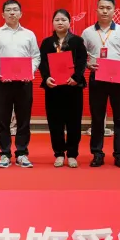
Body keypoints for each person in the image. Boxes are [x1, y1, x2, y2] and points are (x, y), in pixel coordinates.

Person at [82, 0, 120, 168]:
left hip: (119, 79)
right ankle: (97, 154)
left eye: (108, 8)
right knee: (97, 118)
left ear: (114, 11)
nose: (105, 11)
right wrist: (88, 65)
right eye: (102, 8)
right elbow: (81, 57)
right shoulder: (87, 32)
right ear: (96, 10)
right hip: (97, 78)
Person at [0, 0, 41, 168]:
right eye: (8, 10)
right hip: (3, 82)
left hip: (24, 83)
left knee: (24, 119)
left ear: (21, 13)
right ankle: (4, 153)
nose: (12, 12)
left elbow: (36, 56)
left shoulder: (29, 34)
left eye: (15, 10)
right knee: (2, 119)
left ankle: (22, 153)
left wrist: (30, 72)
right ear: (2, 14)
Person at [38, 9, 88, 168]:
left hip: (73, 87)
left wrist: (76, 78)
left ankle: (72, 154)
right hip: (53, 88)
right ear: (53, 23)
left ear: (69, 22)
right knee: (55, 123)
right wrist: (46, 77)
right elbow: (42, 62)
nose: (60, 22)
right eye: (57, 20)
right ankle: (59, 153)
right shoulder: (47, 43)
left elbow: (82, 61)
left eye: (63, 19)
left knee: (74, 122)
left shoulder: (77, 41)